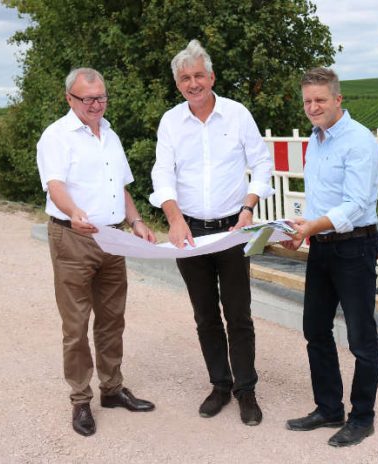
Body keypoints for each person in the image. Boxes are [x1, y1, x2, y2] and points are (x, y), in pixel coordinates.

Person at [149, 39, 273, 426]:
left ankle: (246, 390)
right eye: (185, 78)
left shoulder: (237, 115)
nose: (193, 83)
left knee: (239, 314)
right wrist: (173, 217)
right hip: (190, 233)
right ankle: (220, 385)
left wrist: (249, 207)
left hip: (233, 230)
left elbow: (263, 163)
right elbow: (162, 173)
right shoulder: (171, 121)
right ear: (178, 84)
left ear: (212, 76)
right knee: (205, 315)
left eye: (198, 75)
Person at [37, 67, 157, 437]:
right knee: (76, 326)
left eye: (101, 97)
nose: (95, 104)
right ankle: (79, 400)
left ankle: (112, 389)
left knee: (111, 319)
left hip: (113, 238)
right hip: (72, 239)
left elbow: (119, 187)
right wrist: (73, 213)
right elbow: (55, 185)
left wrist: (136, 221)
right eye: (87, 98)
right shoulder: (56, 136)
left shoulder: (110, 134)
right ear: (69, 99)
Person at [282, 67, 378, 447]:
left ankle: (362, 417)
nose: (312, 107)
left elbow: (356, 204)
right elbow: (324, 200)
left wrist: (313, 227)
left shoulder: (359, 141)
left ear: (339, 99)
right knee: (315, 330)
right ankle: (328, 408)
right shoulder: (316, 138)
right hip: (322, 246)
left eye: (320, 100)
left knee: (360, 337)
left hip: (355, 247)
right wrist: (303, 230)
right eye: (307, 100)